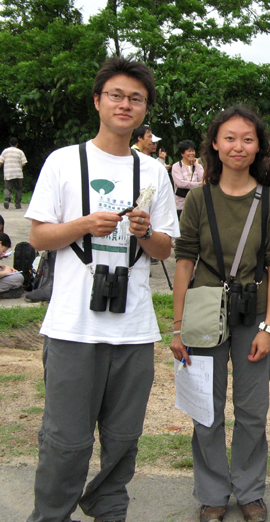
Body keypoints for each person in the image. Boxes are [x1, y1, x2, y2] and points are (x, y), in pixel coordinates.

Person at [24, 56, 179, 522]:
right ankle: (51, 513)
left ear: (144, 109)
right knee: (66, 438)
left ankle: (109, 506)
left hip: (133, 327)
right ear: (97, 101)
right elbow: (39, 237)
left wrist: (144, 232)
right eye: (116, 95)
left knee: (124, 436)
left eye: (136, 98)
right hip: (73, 326)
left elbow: (165, 247)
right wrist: (83, 225)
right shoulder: (63, 161)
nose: (125, 104)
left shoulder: (153, 172)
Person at [171, 106, 270, 522]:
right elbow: (184, 262)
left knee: (252, 410)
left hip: (253, 315)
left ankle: (250, 490)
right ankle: (212, 493)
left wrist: (269, 326)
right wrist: (177, 327)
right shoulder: (198, 198)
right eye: (230, 138)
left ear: (259, 147)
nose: (239, 146)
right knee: (206, 407)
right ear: (215, 145)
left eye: (248, 139)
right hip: (204, 316)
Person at [171, 139, 205, 218]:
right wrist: (198, 184)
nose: (191, 153)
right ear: (182, 153)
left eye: (193, 151)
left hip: (196, 204)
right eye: (189, 151)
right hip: (181, 205)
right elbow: (180, 183)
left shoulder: (197, 166)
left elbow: (204, 179)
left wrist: (197, 165)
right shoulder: (177, 166)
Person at [1, 137, 28, 209]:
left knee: (7, 188)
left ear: (9, 143)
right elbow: (24, 162)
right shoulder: (20, 152)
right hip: (18, 173)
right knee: (18, 189)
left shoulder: (5, 151)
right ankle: (18, 204)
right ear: (17, 144)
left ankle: (7, 198)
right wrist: (18, 166)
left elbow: (0, 161)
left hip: (8, 173)